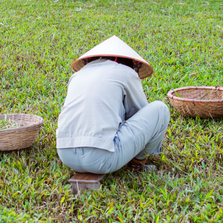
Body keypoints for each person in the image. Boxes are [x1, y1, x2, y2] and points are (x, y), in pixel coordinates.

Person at [56, 35, 170, 174]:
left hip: (66, 155)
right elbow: (140, 113)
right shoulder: (126, 72)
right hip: (101, 159)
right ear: (129, 61)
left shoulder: (78, 75)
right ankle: (135, 164)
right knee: (161, 110)